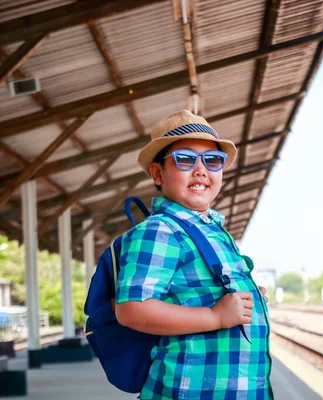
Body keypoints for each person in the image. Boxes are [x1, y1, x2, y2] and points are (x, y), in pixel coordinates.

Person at [114, 110, 273, 400]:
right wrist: (215, 316)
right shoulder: (160, 230)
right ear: (158, 173)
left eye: (212, 160)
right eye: (185, 159)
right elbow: (132, 309)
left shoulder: (211, 230)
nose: (201, 169)